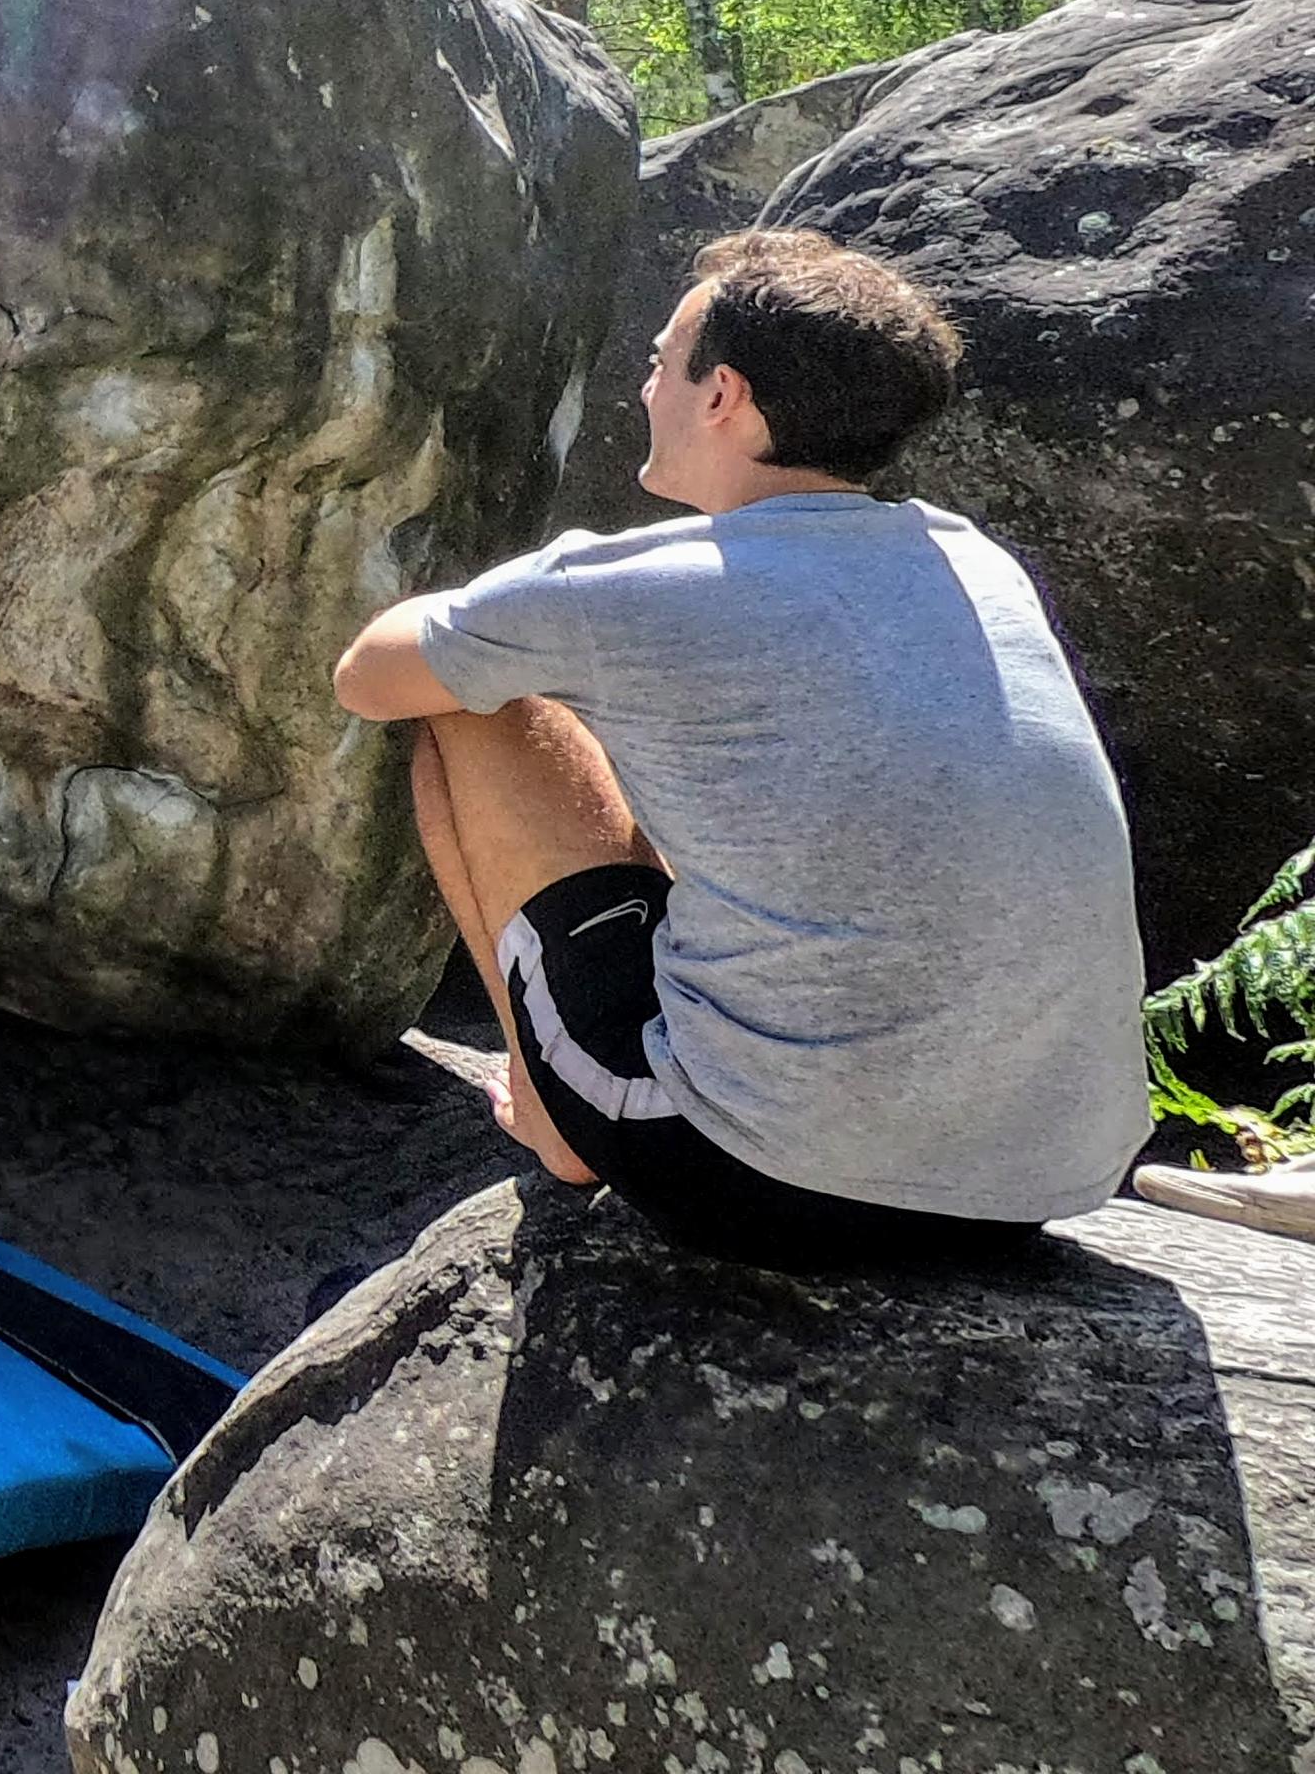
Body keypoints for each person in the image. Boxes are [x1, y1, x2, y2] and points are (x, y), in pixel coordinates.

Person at [331, 228, 1148, 1269]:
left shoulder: (628, 586)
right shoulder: (974, 563)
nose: (644, 387)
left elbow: (369, 675)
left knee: (473, 707)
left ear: (723, 396)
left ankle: (555, 1115)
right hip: (1040, 1184)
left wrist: (526, 609)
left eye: (662, 361)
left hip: (771, 1182)